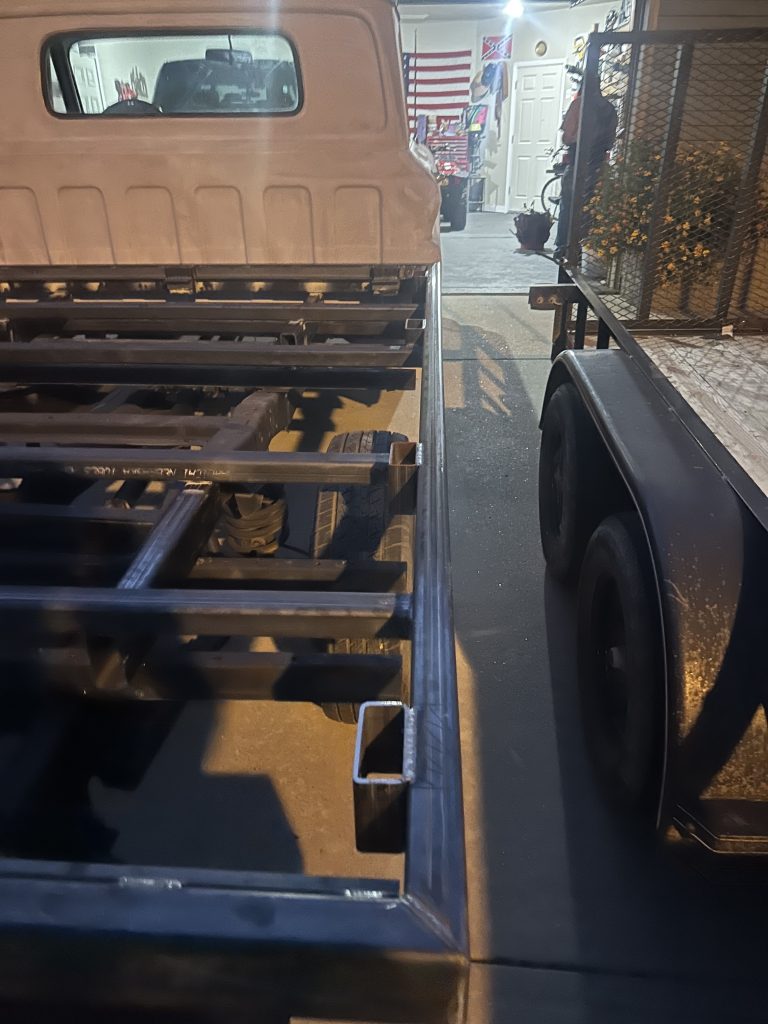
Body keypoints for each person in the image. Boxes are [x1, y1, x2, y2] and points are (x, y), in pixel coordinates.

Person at [553, 80, 618, 261]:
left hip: (578, 162)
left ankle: (564, 247)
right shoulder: (609, 109)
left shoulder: (578, 105)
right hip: (599, 164)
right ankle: (588, 247)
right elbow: (610, 141)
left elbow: (567, 137)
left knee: (568, 204)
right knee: (592, 207)